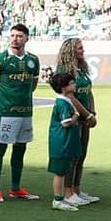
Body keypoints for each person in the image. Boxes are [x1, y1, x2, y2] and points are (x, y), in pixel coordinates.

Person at [0, 23, 42, 203]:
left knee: (20, 148)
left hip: (25, 112)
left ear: (26, 38)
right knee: (0, 148)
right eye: (12, 36)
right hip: (7, 113)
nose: (15, 39)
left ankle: (16, 188)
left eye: (19, 36)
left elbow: (32, 84)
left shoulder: (33, 60)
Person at [54, 39, 99, 206]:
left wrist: (92, 112)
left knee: (81, 154)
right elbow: (70, 97)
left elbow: (89, 92)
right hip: (74, 118)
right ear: (71, 50)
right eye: (80, 48)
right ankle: (68, 192)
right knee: (72, 156)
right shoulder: (65, 71)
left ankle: (77, 189)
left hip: (84, 117)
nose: (83, 50)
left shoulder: (82, 68)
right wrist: (87, 115)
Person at [47, 71, 83, 212]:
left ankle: (61, 198)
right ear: (63, 87)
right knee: (60, 172)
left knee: (62, 170)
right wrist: (76, 115)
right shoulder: (62, 103)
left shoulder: (65, 101)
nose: (74, 85)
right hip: (61, 142)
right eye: (71, 83)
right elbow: (66, 123)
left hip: (65, 142)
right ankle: (58, 200)